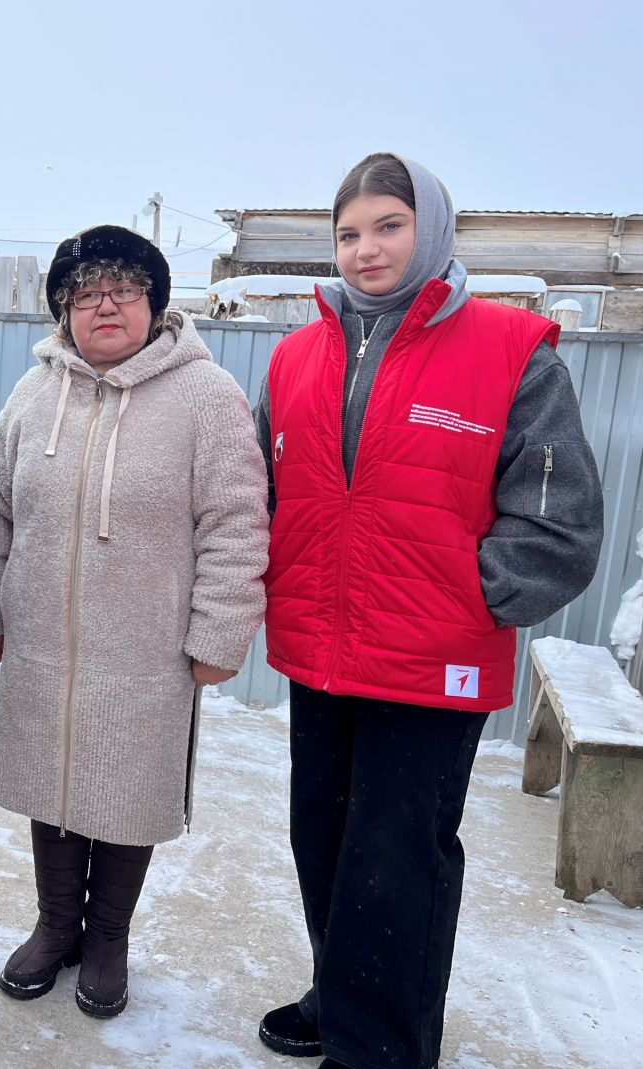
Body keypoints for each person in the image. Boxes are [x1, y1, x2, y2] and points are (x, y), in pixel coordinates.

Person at [253, 153, 605, 1069]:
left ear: (434, 229)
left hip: (432, 658)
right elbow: (263, 491)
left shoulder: (511, 349)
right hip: (321, 647)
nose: (365, 249)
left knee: (397, 855)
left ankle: (383, 1046)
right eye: (348, 233)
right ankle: (343, 996)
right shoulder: (296, 355)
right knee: (324, 836)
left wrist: (467, 600)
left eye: (389, 226)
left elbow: (559, 522)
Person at [0, 225, 269, 1018]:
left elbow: (236, 522)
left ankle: (107, 939)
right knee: (52, 779)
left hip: (147, 646)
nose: (105, 306)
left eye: (124, 290)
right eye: (86, 293)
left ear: (153, 303)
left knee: (127, 791)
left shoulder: (206, 396)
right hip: (43, 641)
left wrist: (221, 631)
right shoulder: (35, 393)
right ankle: (56, 925)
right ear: (64, 311)